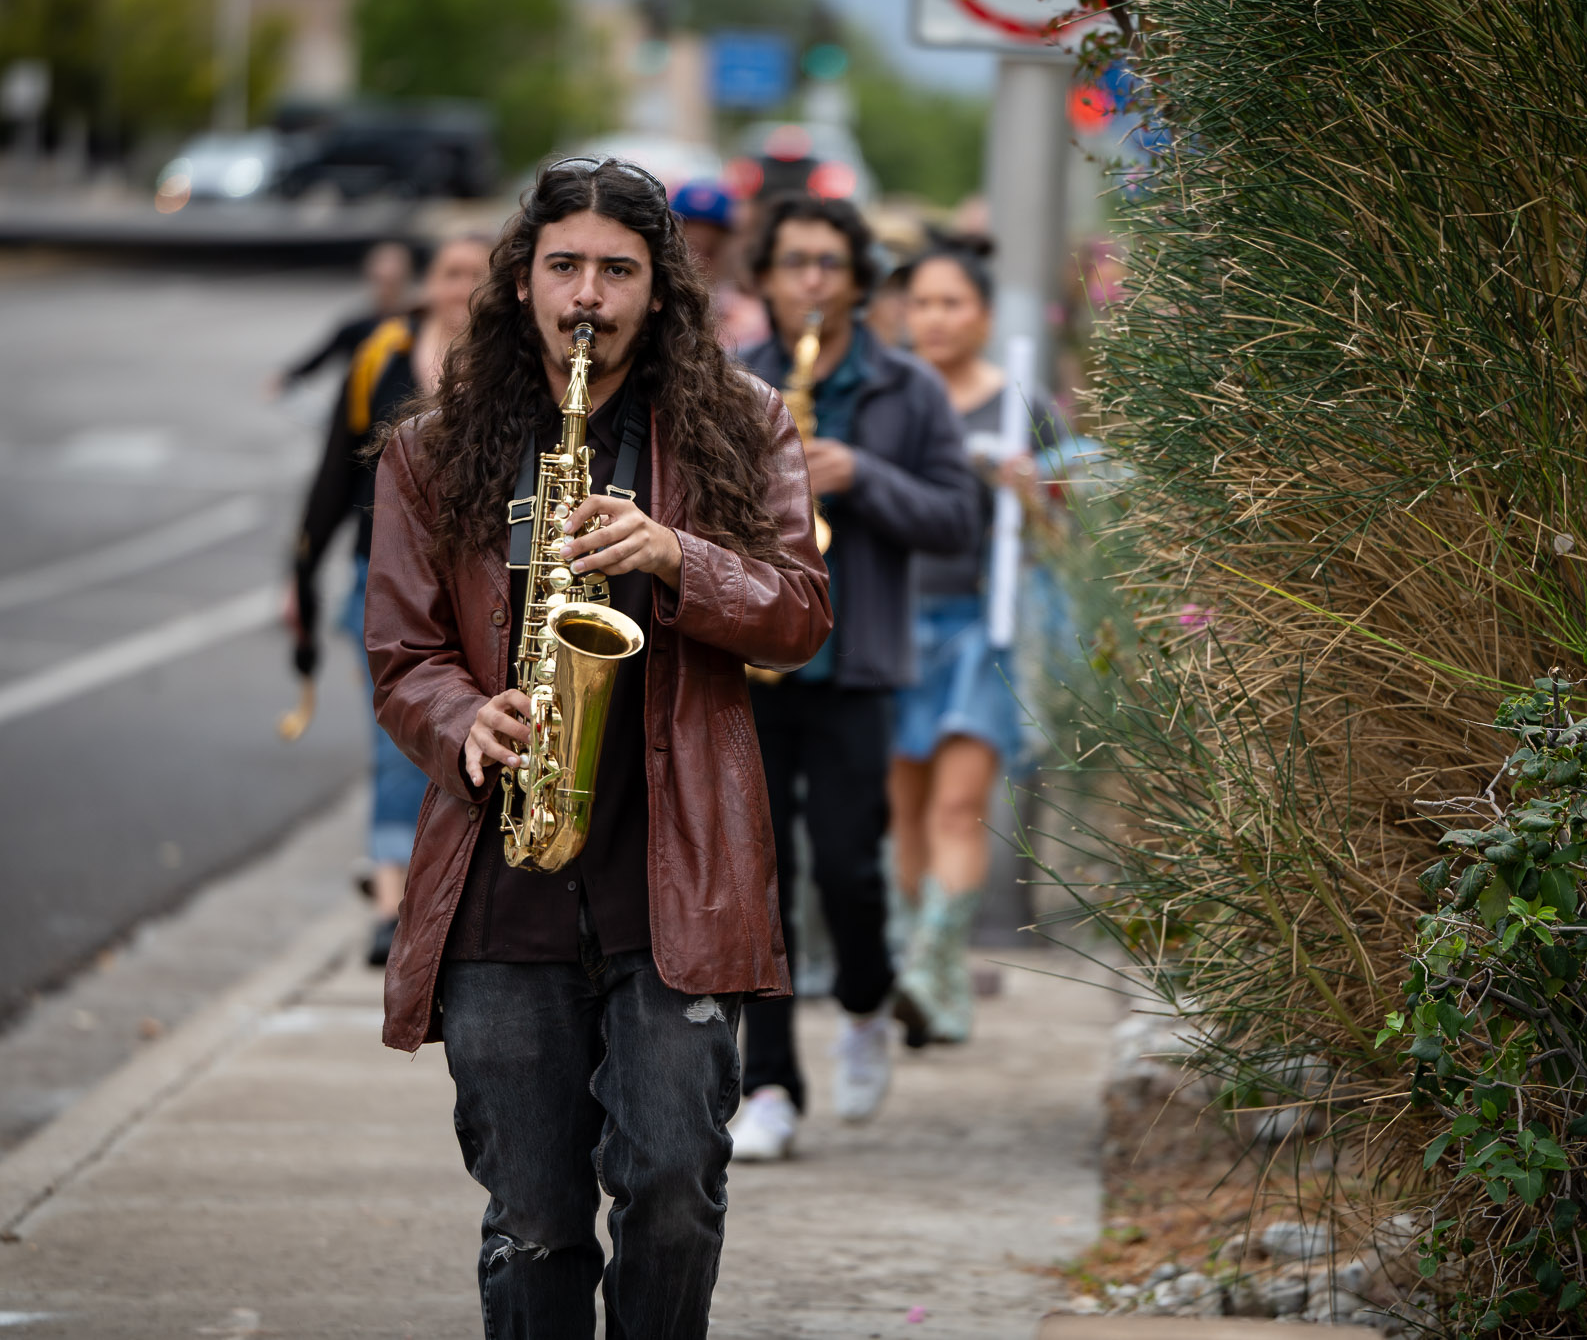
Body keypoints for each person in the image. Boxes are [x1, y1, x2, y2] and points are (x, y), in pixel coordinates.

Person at [366, 158, 829, 1339]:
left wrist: (676, 555)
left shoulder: (744, 423)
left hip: (674, 877)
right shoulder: (432, 449)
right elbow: (402, 656)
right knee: (533, 1221)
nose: (586, 296)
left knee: (672, 1190)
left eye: (615, 271)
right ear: (520, 282)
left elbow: (799, 615)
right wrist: (464, 717)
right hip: (503, 885)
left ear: (658, 288)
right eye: (562, 266)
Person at [727, 195, 978, 1161]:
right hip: (750, 665)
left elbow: (957, 520)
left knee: (846, 867)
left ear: (860, 280)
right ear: (765, 277)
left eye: (830, 263)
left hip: (855, 666)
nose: (812, 281)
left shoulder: (908, 388)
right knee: (757, 877)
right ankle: (769, 1084)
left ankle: (867, 1002)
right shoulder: (729, 379)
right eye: (794, 262)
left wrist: (861, 475)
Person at [285, 234, 490, 966]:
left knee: (467, 735)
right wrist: (301, 576)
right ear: (429, 282)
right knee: (398, 741)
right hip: (384, 577)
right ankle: (390, 898)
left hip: (477, 585)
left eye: (479, 275)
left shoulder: (513, 365)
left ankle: (445, 888)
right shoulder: (382, 354)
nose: (462, 287)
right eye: (451, 272)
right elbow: (334, 473)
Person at [888, 240, 1066, 1047]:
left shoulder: (1024, 406)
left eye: (951, 302)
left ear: (984, 315)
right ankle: (935, 980)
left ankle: (927, 967)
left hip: (983, 625)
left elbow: (1065, 537)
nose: (935, 318)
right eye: (922, 302)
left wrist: (1029, 497)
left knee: (960, 806)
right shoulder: (887, 398)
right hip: (892, 623)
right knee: (905, 809)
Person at [265, 241, 413, 399]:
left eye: (391, 281)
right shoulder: (357, 325)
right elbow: (322, 355)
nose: (385, 287)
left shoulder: (415, 324)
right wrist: (286, 376)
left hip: (401, 402)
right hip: (359, 402)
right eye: (381, 280)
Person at [670, 178, 769, 350]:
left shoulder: (754, 323)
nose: (698, 263)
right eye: (689, 247)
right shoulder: (650, 312)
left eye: (711, 249)